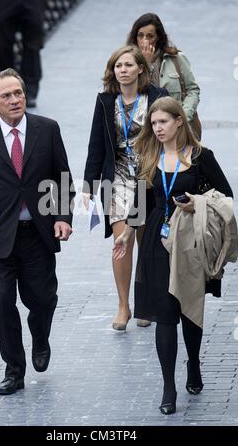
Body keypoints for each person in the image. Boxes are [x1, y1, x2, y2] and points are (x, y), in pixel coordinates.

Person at [113, 97, 234, 415]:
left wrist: (197, 201)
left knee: (188, 309)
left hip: (190, 240)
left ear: (179, 121)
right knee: (164, 313)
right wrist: (126, 235)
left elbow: (225, 195)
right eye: (153, 124)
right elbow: (139, 205)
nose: (157, 128)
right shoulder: (148, 156)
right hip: (155, 240)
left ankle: (193, 363)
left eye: (163, 122)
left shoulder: (200, 157)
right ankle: (169, 386)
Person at [0, 68, 75, 395]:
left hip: (37, 233)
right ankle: (14, 369)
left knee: (42, 299)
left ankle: (40, 337)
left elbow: (63, 178)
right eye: (6, 96)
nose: (14, 100)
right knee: (0, 304)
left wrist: (63, 216)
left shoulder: (47, 129)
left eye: (18, 93)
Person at [83, 45, 168, 331]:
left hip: (149, 176)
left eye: (129, 65)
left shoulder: (156, 97)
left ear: (141, 69)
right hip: (118, 176)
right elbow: (96, 144)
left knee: (146, 241)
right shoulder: (106, 101)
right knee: (122, 241)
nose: (123, 70)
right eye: (118, 66)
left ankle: (146, 301)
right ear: (113, 70)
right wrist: (88, 186)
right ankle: (123, 305)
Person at [127, 13, 200, 136]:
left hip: (179, 131)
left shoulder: (176, 58)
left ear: (158, 38)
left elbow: (193, 90)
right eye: (140, 35)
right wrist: (146, 64)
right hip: (147, 133)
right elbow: (134, 94)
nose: (145, 40)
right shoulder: (127, 63)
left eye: (150, 36)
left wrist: (182, 118)